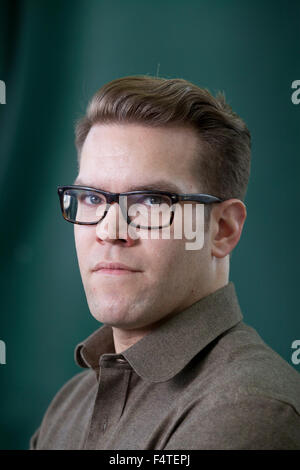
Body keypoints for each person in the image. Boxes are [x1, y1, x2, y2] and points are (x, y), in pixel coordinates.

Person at [30, 75, 300, 450]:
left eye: (151, 201)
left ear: (222, 229)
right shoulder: (70, 403)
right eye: (92, 198)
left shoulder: (251, 408)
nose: (110, 230)